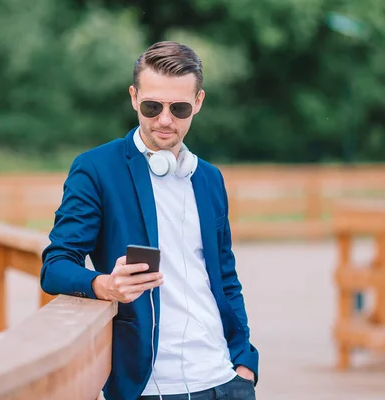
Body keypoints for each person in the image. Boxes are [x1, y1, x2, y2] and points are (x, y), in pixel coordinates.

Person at [40, 41, 258, 400]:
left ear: (198, 103)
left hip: (227, 380)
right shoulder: (96, 169)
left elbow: (225, 277)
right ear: (133, 97)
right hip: (150, 387)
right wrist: (104, 285)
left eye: (180, 108)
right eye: (152, 106)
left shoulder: (209, 178)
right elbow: (55, 265)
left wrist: (244, 362)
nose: (165, 120)